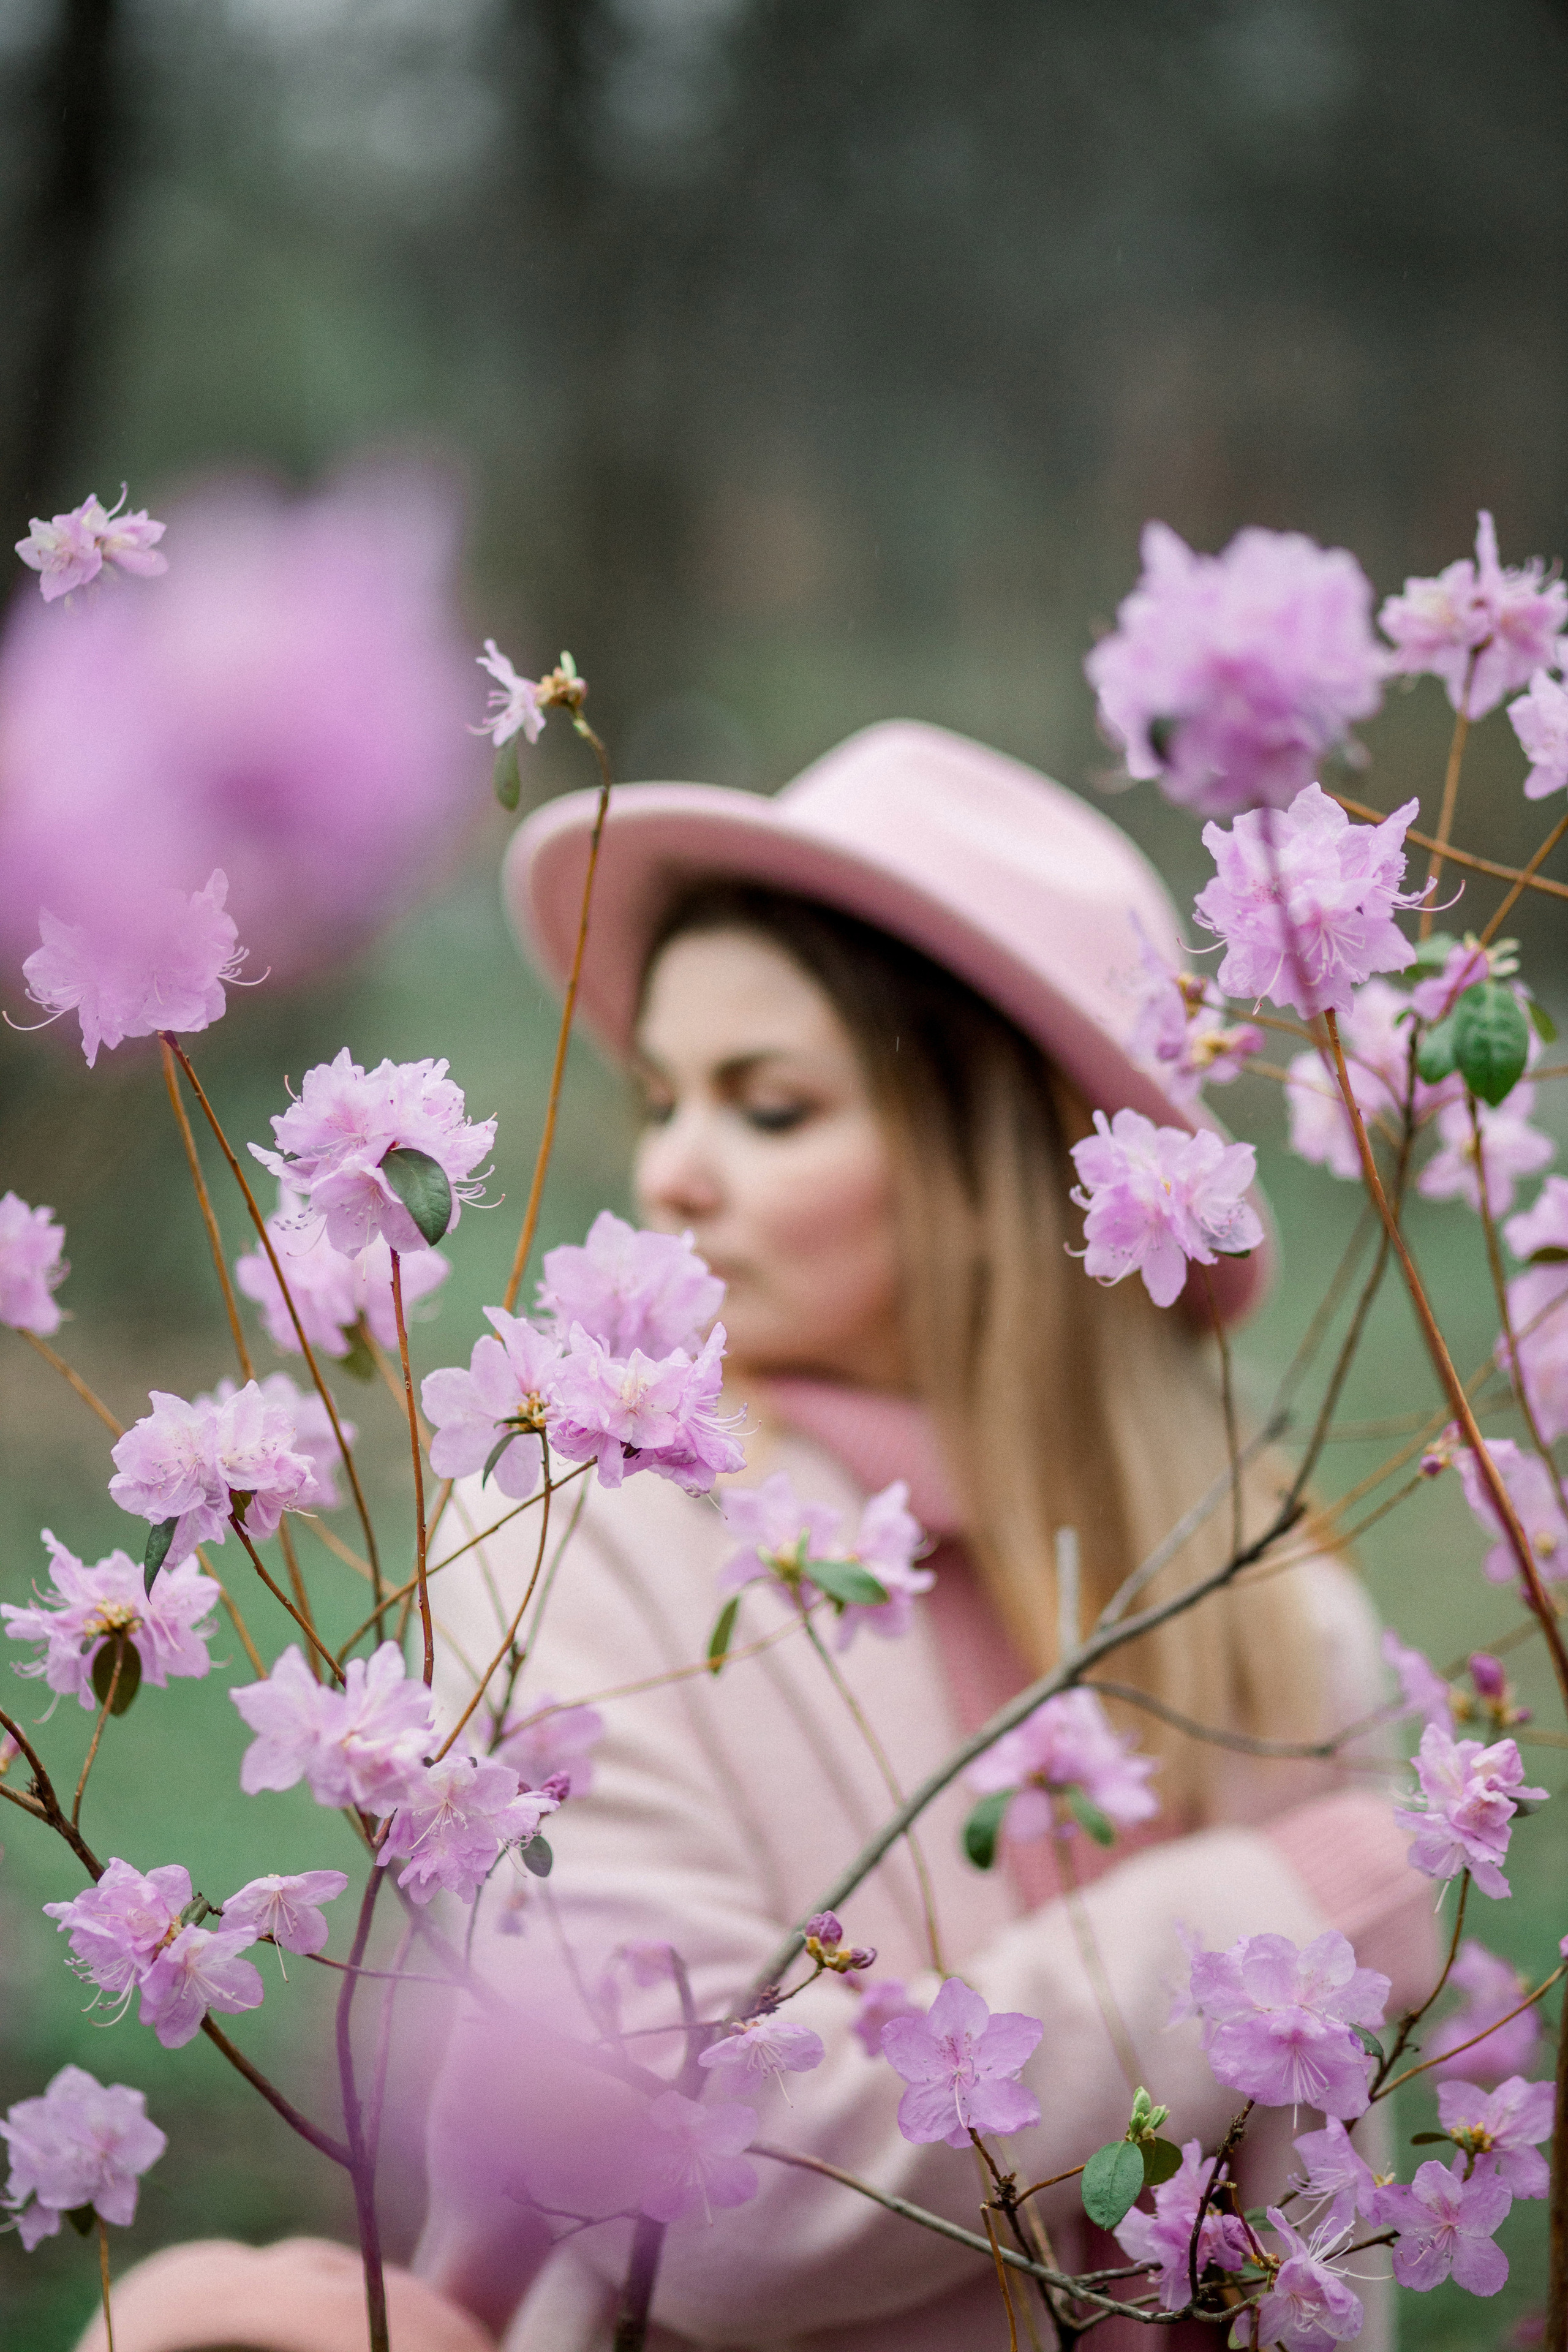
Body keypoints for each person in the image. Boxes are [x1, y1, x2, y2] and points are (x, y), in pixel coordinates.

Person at [81, 722, 1433, 2352]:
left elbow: (1322, 2268)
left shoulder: (1273, 1607)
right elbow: (700, 2192)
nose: (668, 1169)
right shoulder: (573, 1533)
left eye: (769, 1107)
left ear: (1006, 1162)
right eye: (664, 1097)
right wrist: (1278, 1901)